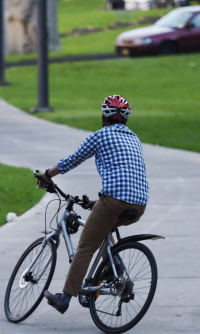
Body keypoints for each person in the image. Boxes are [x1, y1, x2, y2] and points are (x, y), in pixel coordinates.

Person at [37, 95, 149, 314]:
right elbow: (129, 176)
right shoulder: (134, 138)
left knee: (86, 246)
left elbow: (73, 159)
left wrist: (47, 175)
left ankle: (65, 298)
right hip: (139, 205)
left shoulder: (101, 135)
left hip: (114, 200)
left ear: (103, 116)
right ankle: (113, 271)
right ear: (126, 119)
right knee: (104, 228)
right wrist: (98, 201)